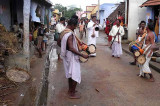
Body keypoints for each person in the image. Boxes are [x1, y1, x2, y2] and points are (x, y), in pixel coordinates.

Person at [60, 17, 88, 99]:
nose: (76, 27)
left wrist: (65, 49)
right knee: (75, 74)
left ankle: (70, 90)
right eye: (75, 26)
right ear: (72, 25)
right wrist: (82, 55)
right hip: (71, 56)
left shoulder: (63, 32)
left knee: (70, 74)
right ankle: (72, 93)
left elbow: (59, 42)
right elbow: (72, 48)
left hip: (66, 55)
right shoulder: (70, 34)